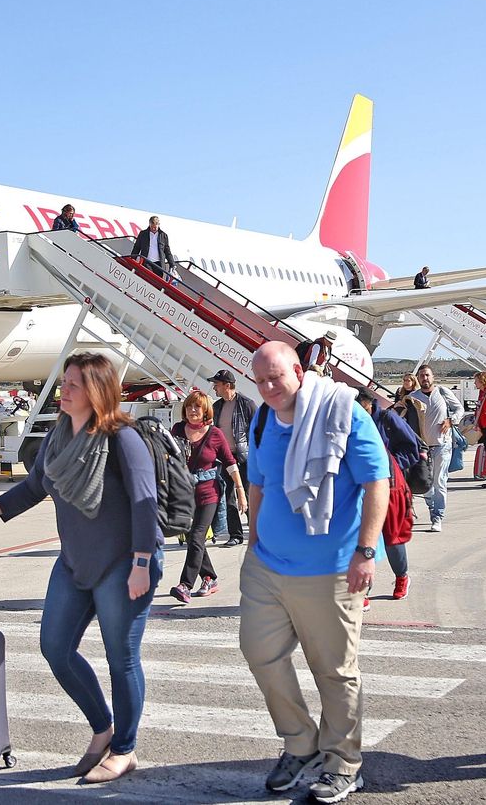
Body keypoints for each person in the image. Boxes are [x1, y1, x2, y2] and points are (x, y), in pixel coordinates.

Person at [0, 352, 161, 784]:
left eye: (73, 385)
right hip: (75, 562)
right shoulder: (59, 436)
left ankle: (124, 749)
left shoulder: (122, 439)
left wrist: (141, 563)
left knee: (121, 660)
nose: (63, 391)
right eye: (64, 383)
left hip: (124, 563)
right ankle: (103, 727)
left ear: (97, 391)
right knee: (55, 648)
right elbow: (32, 488)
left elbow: (145, 504)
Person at [241, 341, 389, 803]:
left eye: (277, 377)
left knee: (334, 671)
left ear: (299, 373)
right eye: (261, 380)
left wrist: (366, 552)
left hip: (330, 567)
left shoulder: (341, 413)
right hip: (268, 565)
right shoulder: (263, 419)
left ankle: (344, 764)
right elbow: (258, 483)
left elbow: (376, 481)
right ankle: (300, 742)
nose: (268, 387)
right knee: (259, 653)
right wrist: (252, 542)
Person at [170, 390, 242, 603]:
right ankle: (209, 577)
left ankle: (185, 585)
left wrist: (240, 490)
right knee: (194, 538)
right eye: (190, 406)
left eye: (197, 407)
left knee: (197, 536)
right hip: (184, 493)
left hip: (209, 492)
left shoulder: (215, 434)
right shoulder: (177, 430)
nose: (193, 410)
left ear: (205, 411)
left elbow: (230, 462)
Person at [357, 388, 421, 605]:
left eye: (362, 408)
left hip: (391, 485)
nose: (359, 412)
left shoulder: (387, 418)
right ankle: (363, 590)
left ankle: (402, 577)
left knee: (393, 537)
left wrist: (391, 464)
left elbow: (412, 447)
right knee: (364, 538)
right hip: (361, 487)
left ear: (369, 403)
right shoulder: (350, 421)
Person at [410, 365, 462, 531]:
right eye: (422, 376)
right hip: (423, 447)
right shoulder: (413, 397)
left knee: (439, 481)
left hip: (442, 444)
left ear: (433, 377)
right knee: (425, 483)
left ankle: (437, 515)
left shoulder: (443, 392)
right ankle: (432, 507)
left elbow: (459, 409)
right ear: (418, 379)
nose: (425, 378)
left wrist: (451, 420)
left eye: (427, 375)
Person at [211, 369, 258, 548]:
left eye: (217, 384)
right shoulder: (217, 407)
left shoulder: (247, 404)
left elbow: (259, 431)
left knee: (247, 494)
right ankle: (236, 534)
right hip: (225, 458)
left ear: (227, 386)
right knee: (228, 496)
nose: (214, 387)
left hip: (245, 458)